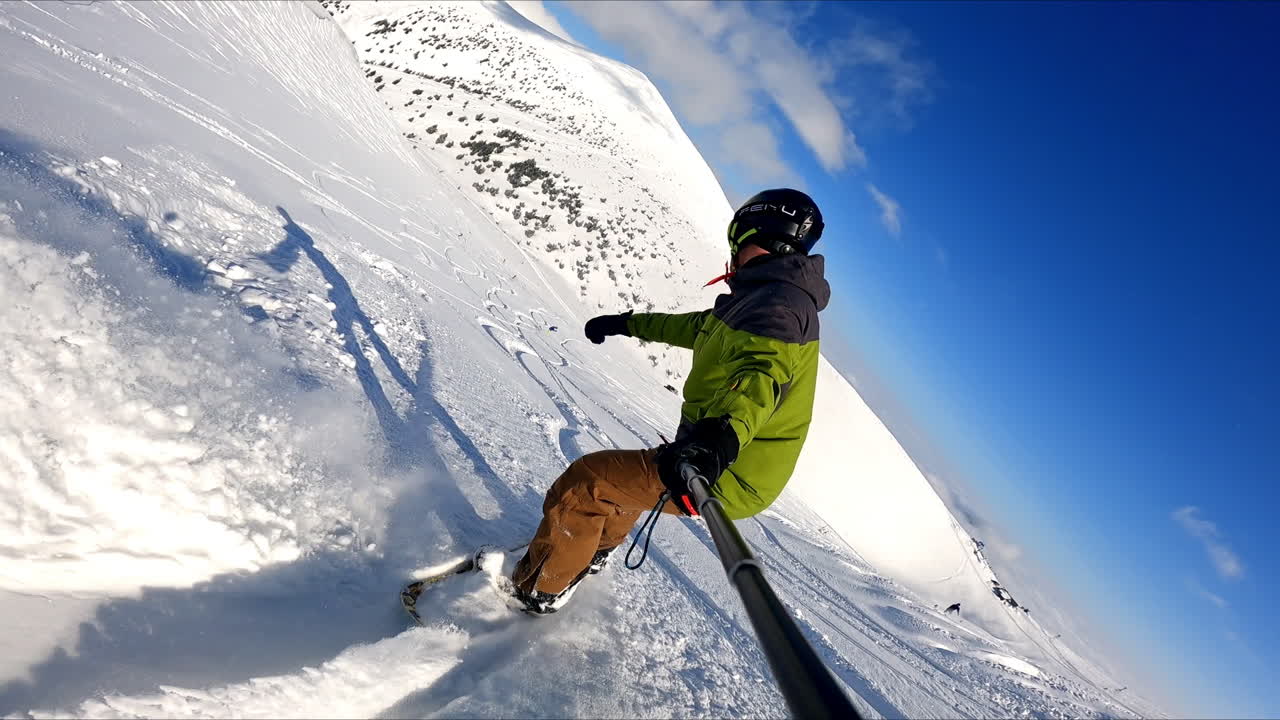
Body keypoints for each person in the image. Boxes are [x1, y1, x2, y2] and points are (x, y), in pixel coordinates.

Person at [510, 188, 831, 614]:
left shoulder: (778, 306)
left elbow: (762, 378)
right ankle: (590, 553)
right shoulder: (764, 295)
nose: (731, 255)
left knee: (588, 482)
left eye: (736, 244)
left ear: (755, 236)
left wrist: (722, 439)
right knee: (620, 487)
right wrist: (625, 323)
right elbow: (695, 328)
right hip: (716, 449)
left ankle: (537, 590)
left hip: (724, 466)